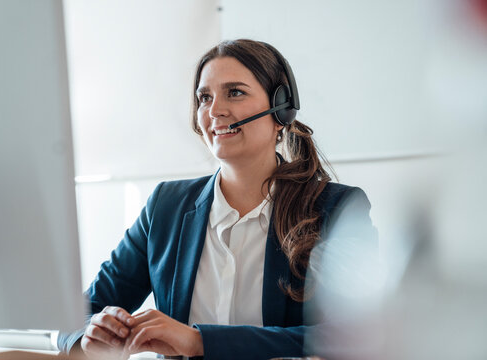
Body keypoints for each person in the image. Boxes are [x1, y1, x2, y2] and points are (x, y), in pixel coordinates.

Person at [58, 39, 377, 360]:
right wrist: (92, 331)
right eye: (204, 98)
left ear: (280, 107)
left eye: (235, 92)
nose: (215, 111)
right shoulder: (166, 206)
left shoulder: (337, 209)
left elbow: (356, 334)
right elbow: (80, 312)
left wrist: (201, 342)